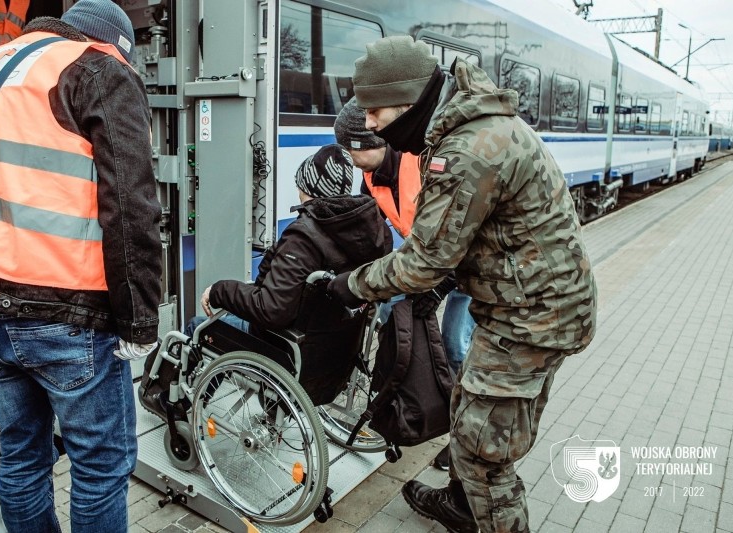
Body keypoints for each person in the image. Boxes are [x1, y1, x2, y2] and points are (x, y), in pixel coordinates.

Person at [328, 36, 597, 533]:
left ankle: (483, 510)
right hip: (530, 303)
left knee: (485, 456)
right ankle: (460, 502)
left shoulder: (464, 151)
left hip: (530, 318)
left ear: (407, 100)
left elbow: (422, 262)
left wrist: (348, 285)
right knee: (471, 409)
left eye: (374, 113)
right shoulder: (470, 124)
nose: (367, 126)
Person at [0, 1, 161, 532]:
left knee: (21, 458)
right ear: (111, 45)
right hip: (69, 318)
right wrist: (140, 321)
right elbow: (132, 211)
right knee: (101, 467)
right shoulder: (97, 69)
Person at [334, 97, 476, 470]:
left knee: (455, 346)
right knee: (391, 319)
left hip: (469, 270)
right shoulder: (370, 177)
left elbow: (465, 233)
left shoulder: (426, 166)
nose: (346, 156)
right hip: (429, 265)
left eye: (349, 148)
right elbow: (372, 234)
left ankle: (465, 442)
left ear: (368, 144)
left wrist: (440, 286)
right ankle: (405, 401)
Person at [192, 144, 391, 403]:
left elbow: (272, 310)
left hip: (291, 352)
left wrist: (219, 290)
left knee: (199, 327)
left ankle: (185, 405)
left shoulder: (305, 237)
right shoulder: (368, 232)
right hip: (334, 358)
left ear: (308, 187)